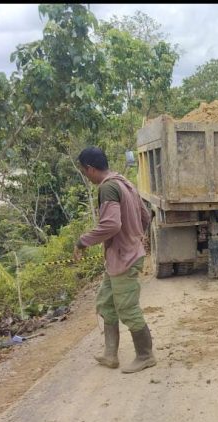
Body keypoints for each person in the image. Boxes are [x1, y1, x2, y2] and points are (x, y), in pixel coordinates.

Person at [73, 146, 157, 374]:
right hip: (121, 256)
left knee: (127, 308)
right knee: (106, 303)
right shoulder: (125, 183)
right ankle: (111, 354)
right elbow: (145, 216)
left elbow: (111, 225)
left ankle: (145, 355)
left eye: (83, 171)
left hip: (124, 258)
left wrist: (83, 241)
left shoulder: (108, 188)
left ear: (89, 169)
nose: (85, 175)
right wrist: (135, 238)